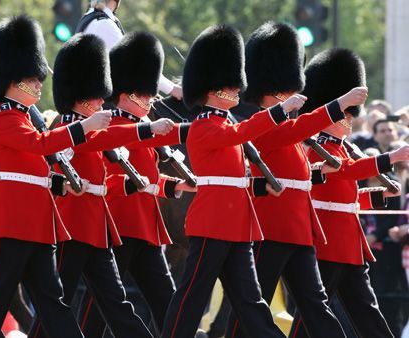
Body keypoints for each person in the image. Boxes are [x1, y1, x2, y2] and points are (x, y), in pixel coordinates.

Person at [0, 15, 110, 338]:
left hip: (36, 226)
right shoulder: (3, 119)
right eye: (33, 78)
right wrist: (84, 127)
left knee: (53, 302)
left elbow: (35, 169)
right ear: (14, 81)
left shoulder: (25, 118)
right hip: (10, 223)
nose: (40, 83)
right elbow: (40, 146)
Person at [29, 32, 179, 338]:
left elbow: (139, 170)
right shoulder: (71, 128)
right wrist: (148, 130)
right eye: (96, 95)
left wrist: (170, 184)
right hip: (74, 225)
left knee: (117, 305)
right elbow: (109, 149)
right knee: (60, 304)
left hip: (101, 226)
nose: (102, 100)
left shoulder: (97, 127)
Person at [224, 22, 369, 338]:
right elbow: (298, 129)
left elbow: (301, 174)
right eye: (284, 91)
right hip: (272, 227)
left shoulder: (286, 127)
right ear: (271, 92)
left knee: (316, 306)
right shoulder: (260, 125)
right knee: (252, 304)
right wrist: (338, 105)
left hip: (299, 228)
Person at [159, 24, 301, 338]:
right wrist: (278, 111)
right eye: (232, 86)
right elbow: (241, 134)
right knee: (192, 295)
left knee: (251, 302)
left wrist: (263, 187)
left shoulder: (224, 121)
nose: (238, 90)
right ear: (213, 89)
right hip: (213, 223)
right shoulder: (204, 124)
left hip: (236, 224)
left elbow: (235, 179)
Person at [76, 31, 194, 337]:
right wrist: (134, 186)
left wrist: (175, 186)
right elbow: (106, 178)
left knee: (168, 304)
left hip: (146, 227)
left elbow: (150, 178)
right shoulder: (112, 127)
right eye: (146, 94)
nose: (152, 99)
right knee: (101, 306)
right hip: (118, 225)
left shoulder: (142, 127)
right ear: (127, 95)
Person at [288, 48, 401, 338]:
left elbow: (346, 197)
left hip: (349, 243)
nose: (349, 121)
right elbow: (346, 172)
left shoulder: (341, 148)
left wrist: (377, 196)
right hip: (326, 241)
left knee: (368, 314)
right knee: (312, 314)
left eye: (351, 115)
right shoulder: (312, 149)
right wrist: (390, 157)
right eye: (345, 115)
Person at [76, 0, 183, 100]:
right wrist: (172, 89)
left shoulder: (91, 18)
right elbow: (136, 64)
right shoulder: (104, 24)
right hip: (103, 100)